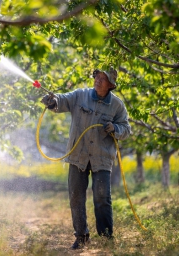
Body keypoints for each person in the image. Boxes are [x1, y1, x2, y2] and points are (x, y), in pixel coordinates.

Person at [41, 67, 131, 249]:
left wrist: (115, 128)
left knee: (102, 197)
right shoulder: (79, 95)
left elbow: (126, 129)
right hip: (77, 156)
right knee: (75, 196)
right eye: (97, 76)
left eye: (103, 78)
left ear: (111, 85)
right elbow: (62, 100)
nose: (98, 80)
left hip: (102, 158)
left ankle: (106, 237)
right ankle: (82, 236)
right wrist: (52, 101)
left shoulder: (117, 105)